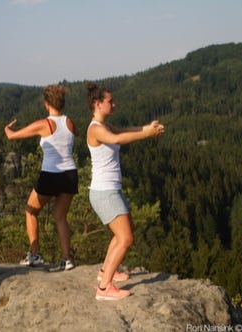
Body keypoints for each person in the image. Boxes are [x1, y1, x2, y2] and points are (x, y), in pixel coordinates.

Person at [85, 82, 164, 300]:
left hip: (111, 190)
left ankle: (105, 271)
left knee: (123, 234)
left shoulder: (106, 126)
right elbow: (118, 139)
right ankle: (104, 288)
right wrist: (147, 134)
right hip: (104, 192)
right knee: (126, 238)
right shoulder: (96, 129)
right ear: (98, 104)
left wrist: (147, 127)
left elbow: (124, 131)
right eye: (110, 101)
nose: (114, 104)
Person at [4, 84, 78, 271]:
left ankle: (35, 254)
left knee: (31, 211)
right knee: (60, 217)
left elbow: (12, 136)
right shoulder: (70, 122)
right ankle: (66, 259)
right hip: (70, 174)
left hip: (51, 175)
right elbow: (75, 134)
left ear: (46, 104)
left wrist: (7, 129)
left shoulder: (43, 124)